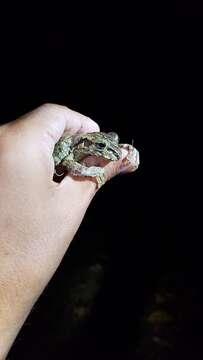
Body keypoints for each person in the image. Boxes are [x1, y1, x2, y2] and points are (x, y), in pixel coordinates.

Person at [0, 103, 128, 359]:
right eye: (101, 146)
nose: (108, 149)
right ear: (88, 145)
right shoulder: (75, 146)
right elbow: (67, 159)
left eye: (108, 143)